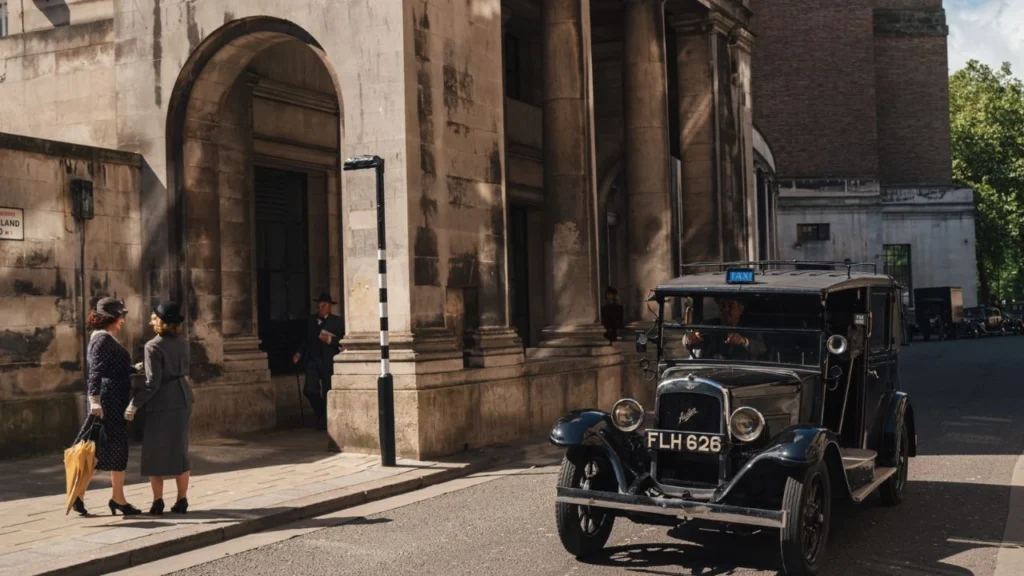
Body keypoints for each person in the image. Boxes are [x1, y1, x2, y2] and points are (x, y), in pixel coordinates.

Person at [71, 297, 142, 516]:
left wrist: (132, 369)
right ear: (110, 318)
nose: (121, 321)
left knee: (106, 449)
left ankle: (110, 497)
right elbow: (95, 372)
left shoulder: (104, 338)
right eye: (119, 317)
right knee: (101, 449)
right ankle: (100, 497)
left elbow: (111, 368)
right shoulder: (101, 340)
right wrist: (94, 401)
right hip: (109, 402)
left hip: (114, 399)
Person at [124, 301, 194, 515]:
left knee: (156, 452)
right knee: (179, 450)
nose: (150, 321)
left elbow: (152, 383)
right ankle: (182, 500)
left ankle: (158, 502)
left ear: (160, 322)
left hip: (163, 400)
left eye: (153, 318)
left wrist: (134, 404)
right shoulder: (184, 342)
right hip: (183, 395)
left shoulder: (153, 345)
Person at [292, 293, 344, 430]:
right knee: (309, 390)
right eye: (319, 305)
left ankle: (325, 419)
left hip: (328, 361)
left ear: (330, 307)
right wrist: (299, 352)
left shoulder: (338, 322)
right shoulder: (311, 320)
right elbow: (306, 339)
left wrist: (329, 340)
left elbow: (343, 342)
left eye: (324, 305)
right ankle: (321, 413)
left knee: (328, 391)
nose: (320, 307)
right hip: (313, 360)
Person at [684, 297, 766, 360]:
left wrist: (743, 341)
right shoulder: (708, 324)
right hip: (710, 371)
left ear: (740, 310)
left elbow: (761, 348)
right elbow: (689, 340)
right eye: (723, 305)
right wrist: (690, 338)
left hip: (740, 374)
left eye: (730, 306)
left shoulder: (750, 328)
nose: (725, 309)